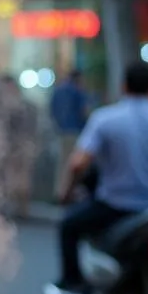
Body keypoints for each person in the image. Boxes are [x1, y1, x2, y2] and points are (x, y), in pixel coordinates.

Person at [54, 61, 148, 294]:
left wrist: (65, 193)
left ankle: (73, 285)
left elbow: (78, 164)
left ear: (124, 85)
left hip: (114, 207)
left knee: (68, 226)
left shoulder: (105, 118)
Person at [0, 76, 39, 220]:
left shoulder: (12, 106)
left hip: (19, 146)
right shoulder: (27, 105)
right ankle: (20, 209)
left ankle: (20, 209)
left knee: (18, 179)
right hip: (19, 146)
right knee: (16, 179)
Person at [50, 69, 89, 199]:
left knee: (61, 162)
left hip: (61, 131)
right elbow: (84, 111)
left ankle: (58, 191)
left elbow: (52, 110)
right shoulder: (77, 91)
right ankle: (66, 193)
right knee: (73, 163)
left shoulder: (58, 90)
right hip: (74, 130)